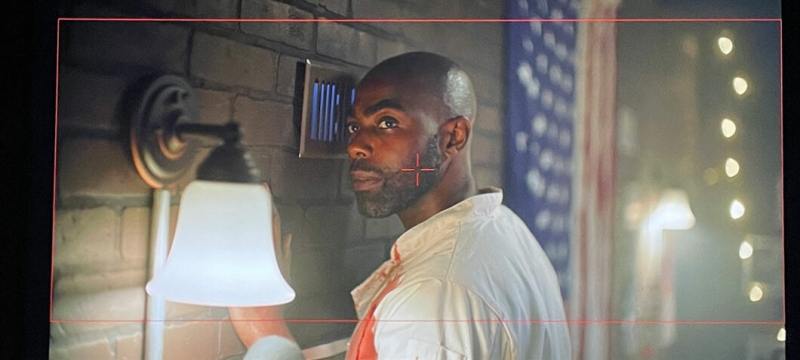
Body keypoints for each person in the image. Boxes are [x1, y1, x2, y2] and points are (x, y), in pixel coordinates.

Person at [231, 51, 571, 360]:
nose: (356, 147)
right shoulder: (502, 226)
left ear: (453, 137)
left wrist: (264, 328)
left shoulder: (432, 302)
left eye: (387, 122)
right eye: (354, 126)